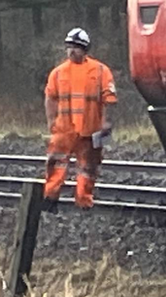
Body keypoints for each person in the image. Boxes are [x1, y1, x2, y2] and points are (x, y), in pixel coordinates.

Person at [42, 28, 118, 211]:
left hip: (90, 131)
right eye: (69, 47)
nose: (71, 51)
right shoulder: (58, 72)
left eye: (75, 47)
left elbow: (110, 99)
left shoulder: (100, 71)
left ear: (84, 49)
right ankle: (49, 198)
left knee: (88, 168)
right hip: (64, 131)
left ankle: (83, 201)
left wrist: (106, 123)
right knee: (55, 165)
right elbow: (50, 97)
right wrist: (51, 121)